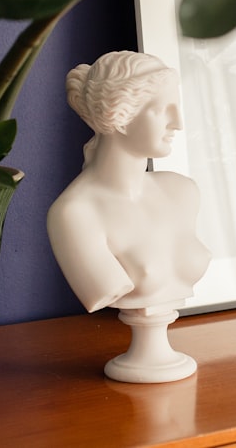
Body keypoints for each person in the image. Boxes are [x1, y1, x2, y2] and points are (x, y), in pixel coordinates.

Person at [47, 51, 211, 316]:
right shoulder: (74, 214)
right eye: (162, 110)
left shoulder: (182, 191)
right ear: (120, 116)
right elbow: (101, 289)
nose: (178, 123)